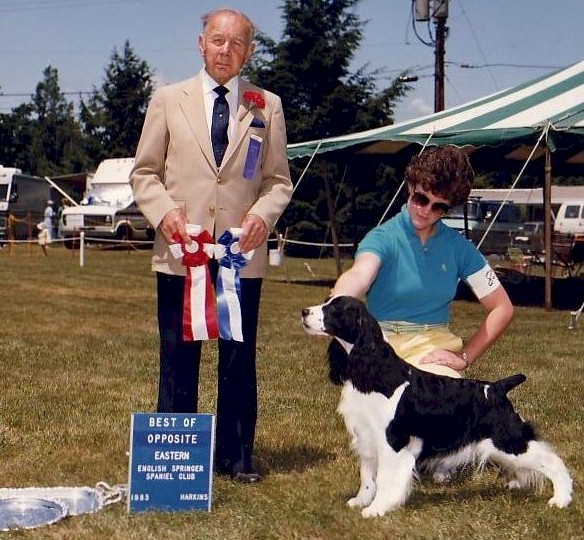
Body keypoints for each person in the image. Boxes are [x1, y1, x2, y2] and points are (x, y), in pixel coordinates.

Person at [130, 8, 292, 484]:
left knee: (239, 356)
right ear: (201, 44)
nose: (226, 50)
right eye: (218, 41)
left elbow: (277, 180)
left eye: (237, 43)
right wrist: (166, 215)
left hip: (242, 255)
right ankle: (176, 460)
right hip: (182, 253)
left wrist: (262, 216)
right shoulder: (167, 99)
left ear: (250, 51)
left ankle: (237, 458)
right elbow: (144, 173)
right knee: (178, 355)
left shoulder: (267, 106)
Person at [331, 146, 514, 378]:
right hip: (380, 346)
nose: (426, 210)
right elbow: (360, 275)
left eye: (439, 206)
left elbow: (502, 308)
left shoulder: (460, 248)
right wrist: (335, 303)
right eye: (421, 198)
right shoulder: (382, 237)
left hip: (433, 349)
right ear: (410, 188)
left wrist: (465, 356)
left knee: (437, 398)